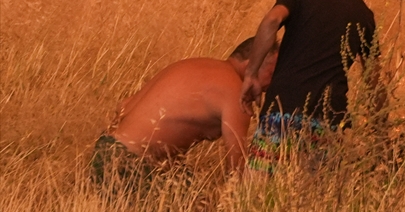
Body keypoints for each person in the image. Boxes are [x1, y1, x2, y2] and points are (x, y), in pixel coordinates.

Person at [240, 0, 378, 172]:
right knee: (313, 191)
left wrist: (251, 74)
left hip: (280, 114)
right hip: (325, 122)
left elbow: (271, 21)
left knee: (259, 186)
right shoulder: (362, 13)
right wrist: (379, 123)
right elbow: (372, 75)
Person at [91, 38, 278, 190]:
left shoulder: (198, 65)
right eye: (272, 73)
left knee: (190, 186)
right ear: (252, 66)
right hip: (129, 163)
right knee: (201, 209)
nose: (273, 83)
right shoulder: (236, 92)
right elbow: (237, 171)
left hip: (105, 149)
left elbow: (124, 105)